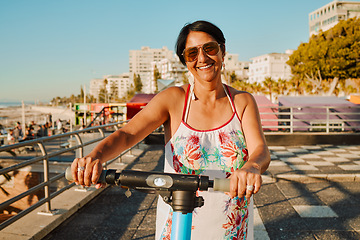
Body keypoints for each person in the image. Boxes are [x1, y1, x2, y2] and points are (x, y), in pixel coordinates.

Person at [71, 20, 270, 239]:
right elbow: (127, 134)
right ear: (185, 61)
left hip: (232, 228)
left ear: (223, 51)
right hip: (178, 228)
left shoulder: (242, 102)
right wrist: (95, 157)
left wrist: (252, 167)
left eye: (209, 48)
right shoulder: (173, 100)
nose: (202, 58)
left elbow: (260, 150)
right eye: (192, 53)